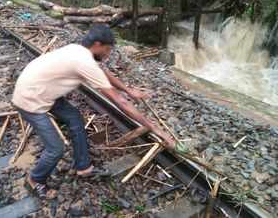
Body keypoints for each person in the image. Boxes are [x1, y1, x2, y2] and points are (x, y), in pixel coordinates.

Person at [12, 24, 175, 198]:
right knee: (55, 149)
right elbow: (121, 102)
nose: (107, 54)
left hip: (41, 90)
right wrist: (156, 129)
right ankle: (35, 179)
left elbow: (103, 72)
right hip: (30, 99)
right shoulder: (84, 62)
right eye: (107, 50)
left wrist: (129, 91)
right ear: (97, 44)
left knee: (74, 118)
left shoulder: (78, 50)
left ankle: (83, 167)